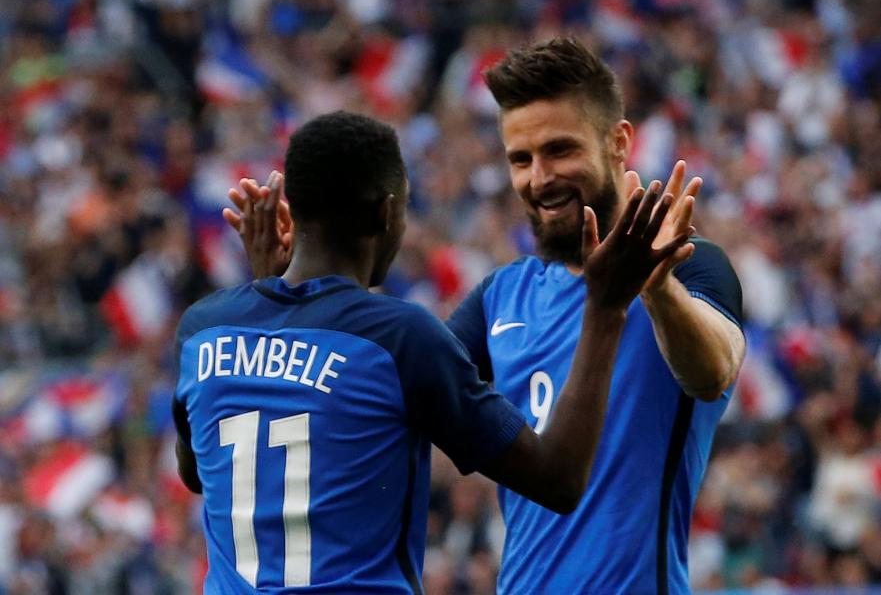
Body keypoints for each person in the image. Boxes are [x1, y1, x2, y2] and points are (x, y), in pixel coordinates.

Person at [227, 37, 746, 594]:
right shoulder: (505, 294)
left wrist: (656, 285)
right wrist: (289, 291)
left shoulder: (687, 265)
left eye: (559, 150)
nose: (538, 178)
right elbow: (384, 386)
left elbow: (711, 372)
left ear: (618, 143)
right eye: (521, 159)